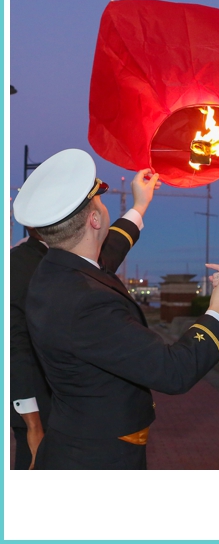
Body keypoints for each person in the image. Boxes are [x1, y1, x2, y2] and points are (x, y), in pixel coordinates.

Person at [18, 149, 219, 470]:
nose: (103, 206)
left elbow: (104, 254)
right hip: (99, 459)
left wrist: (140, 206)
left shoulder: (53, 268)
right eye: (100, 202)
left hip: (73, 441)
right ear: (95, 220)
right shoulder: (85, 302)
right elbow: (173, 372)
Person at [10, 167, 158, 470]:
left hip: (76, 415)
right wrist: (33, 424)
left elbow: (111, 248)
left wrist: (139, 206)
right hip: (42, 410)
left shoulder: (69, 252)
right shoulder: (17, 267)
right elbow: (15, 348)